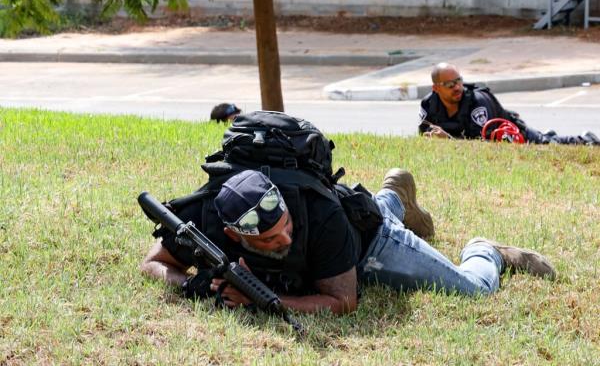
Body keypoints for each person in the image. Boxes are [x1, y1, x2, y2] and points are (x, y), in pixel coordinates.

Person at [141, 168, 556, 315]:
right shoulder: (208, 218)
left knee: (473, 291)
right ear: (233, 234)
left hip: (368, 242)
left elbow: (343, 302)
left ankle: (487, 250)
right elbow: (154, 263)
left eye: (285, 225)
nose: (285, 236)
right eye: (269, 239)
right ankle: (393, 195)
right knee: (366, 209)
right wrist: (193, 286)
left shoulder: (318, 218)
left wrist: (263, 299)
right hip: (346, 223)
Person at [419, 63, 600, 145]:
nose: (457, 87)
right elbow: (423, 135)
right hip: (484, 137)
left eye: (459, 81)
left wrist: (448, 140)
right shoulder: (429, 104)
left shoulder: (476, 103)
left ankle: (585, 140)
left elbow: (484, 145)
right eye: (450, 84)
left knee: (545, 143)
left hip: (511, 132)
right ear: (436, 88)